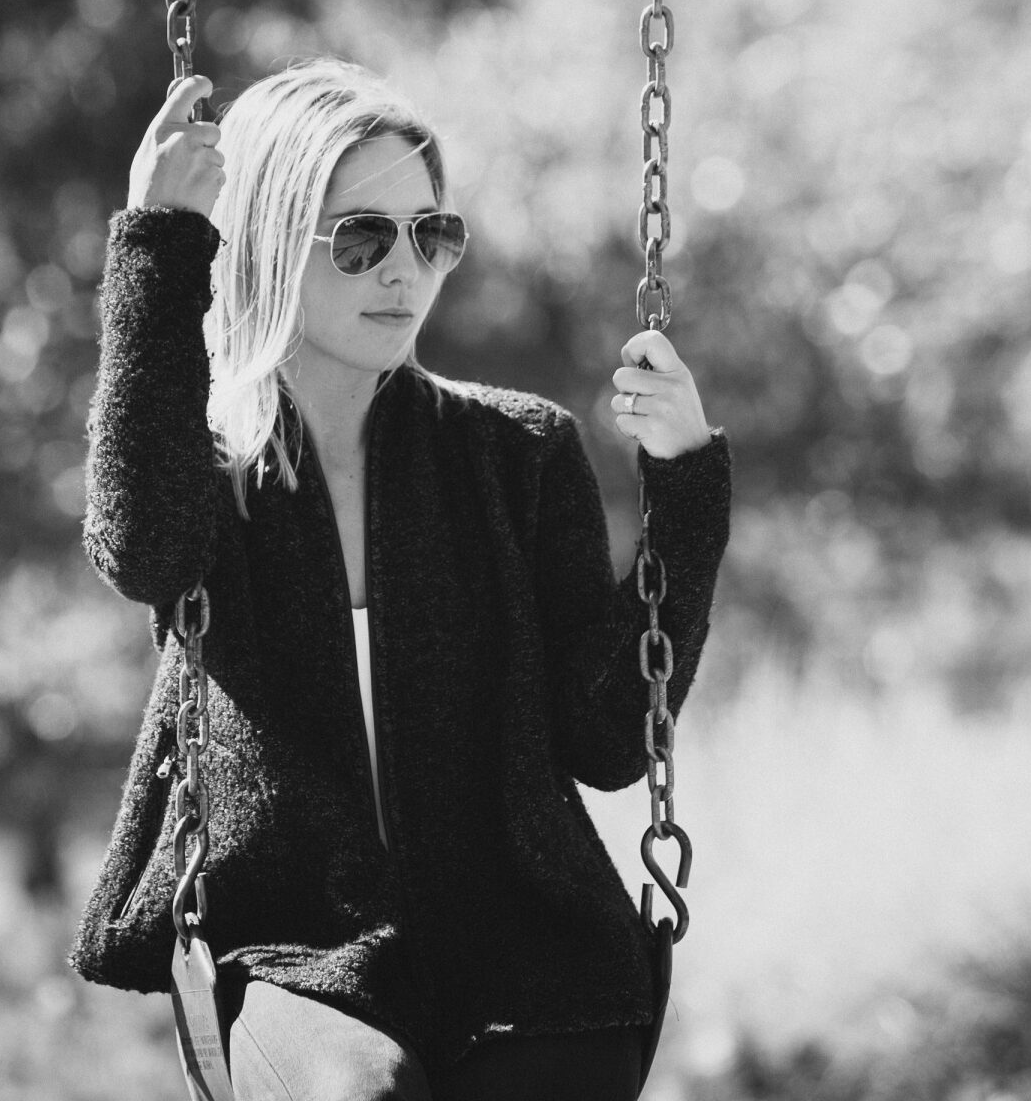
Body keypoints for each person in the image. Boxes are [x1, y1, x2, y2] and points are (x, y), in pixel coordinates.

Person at [67, 59, 732, 1101]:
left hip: (525, 936)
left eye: (431, 234)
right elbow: (140, 548)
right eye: (361, 237)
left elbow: (609, 741)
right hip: (300, 950)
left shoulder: (517, 451)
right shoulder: (206, 473)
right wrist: (158, 237)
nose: (403, 272)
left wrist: (686, 488)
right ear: (271, 237)